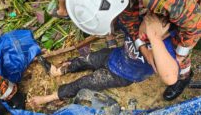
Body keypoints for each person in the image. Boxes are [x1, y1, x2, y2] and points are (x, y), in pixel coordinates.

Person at [29, 13, 179, 106]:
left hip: (122, 75)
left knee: (84, 82)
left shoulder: (166, 49)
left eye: (152, 34)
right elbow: (111, 20)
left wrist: (155, 39)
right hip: (113, 55)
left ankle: (50, 97)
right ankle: (57, 71)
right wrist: (109, 32)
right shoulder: (136, 21)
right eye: (144, 30)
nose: (144, 35)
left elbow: (168, 74)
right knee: (84, 59)